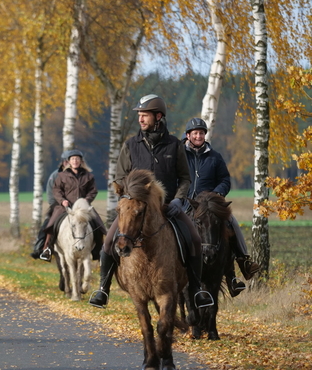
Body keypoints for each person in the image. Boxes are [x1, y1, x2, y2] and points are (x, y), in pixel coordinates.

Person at [88, 94, 214, 309]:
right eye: (139, 115)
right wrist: (131, 193)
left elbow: (184, 178)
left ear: (158, 117)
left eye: (144, 115)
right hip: (135, 209)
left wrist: (177, 201)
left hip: (168, 209)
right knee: (108, 243)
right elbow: (119, 177)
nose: (140, 119)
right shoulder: (130, 145)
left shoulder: (174, 145)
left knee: (193, 239)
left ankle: (196, 290)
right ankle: (103, 289)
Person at [184, 117, 260, 295]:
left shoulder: (215, 157)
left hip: (210, 203)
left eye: (201, 133)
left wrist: (217, 194)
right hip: (186, 201)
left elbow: (225, 180)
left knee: (230, 222)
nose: (198, 136)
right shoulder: (180, 155)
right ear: (188, 135)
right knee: (170, 224)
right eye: (195, 133)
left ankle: (240, 266)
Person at [39, 149, 105, 262]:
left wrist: (87, 199)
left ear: (81, 161)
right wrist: (62, 200)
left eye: (77, 159)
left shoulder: (88, 176)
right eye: (73, 159)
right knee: (51, 224)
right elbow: (56, 190)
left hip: (83, 207)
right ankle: (47, 249)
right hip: (66, 207)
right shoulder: (61, 176)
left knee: (99, 224)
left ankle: (99, 251)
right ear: (69, 161)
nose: (75, 161)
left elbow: (93, 190)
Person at [29, 152, 69, 259]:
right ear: (63, 162)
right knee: (47, 225)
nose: (69, 163)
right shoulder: (55, 175)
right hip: (58, 206)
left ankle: (100, 248)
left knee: (94, 221)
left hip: (77, 206)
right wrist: (57, 205)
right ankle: (42, 248)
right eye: (66, 161)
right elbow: (51, 195)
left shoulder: (81, 175)